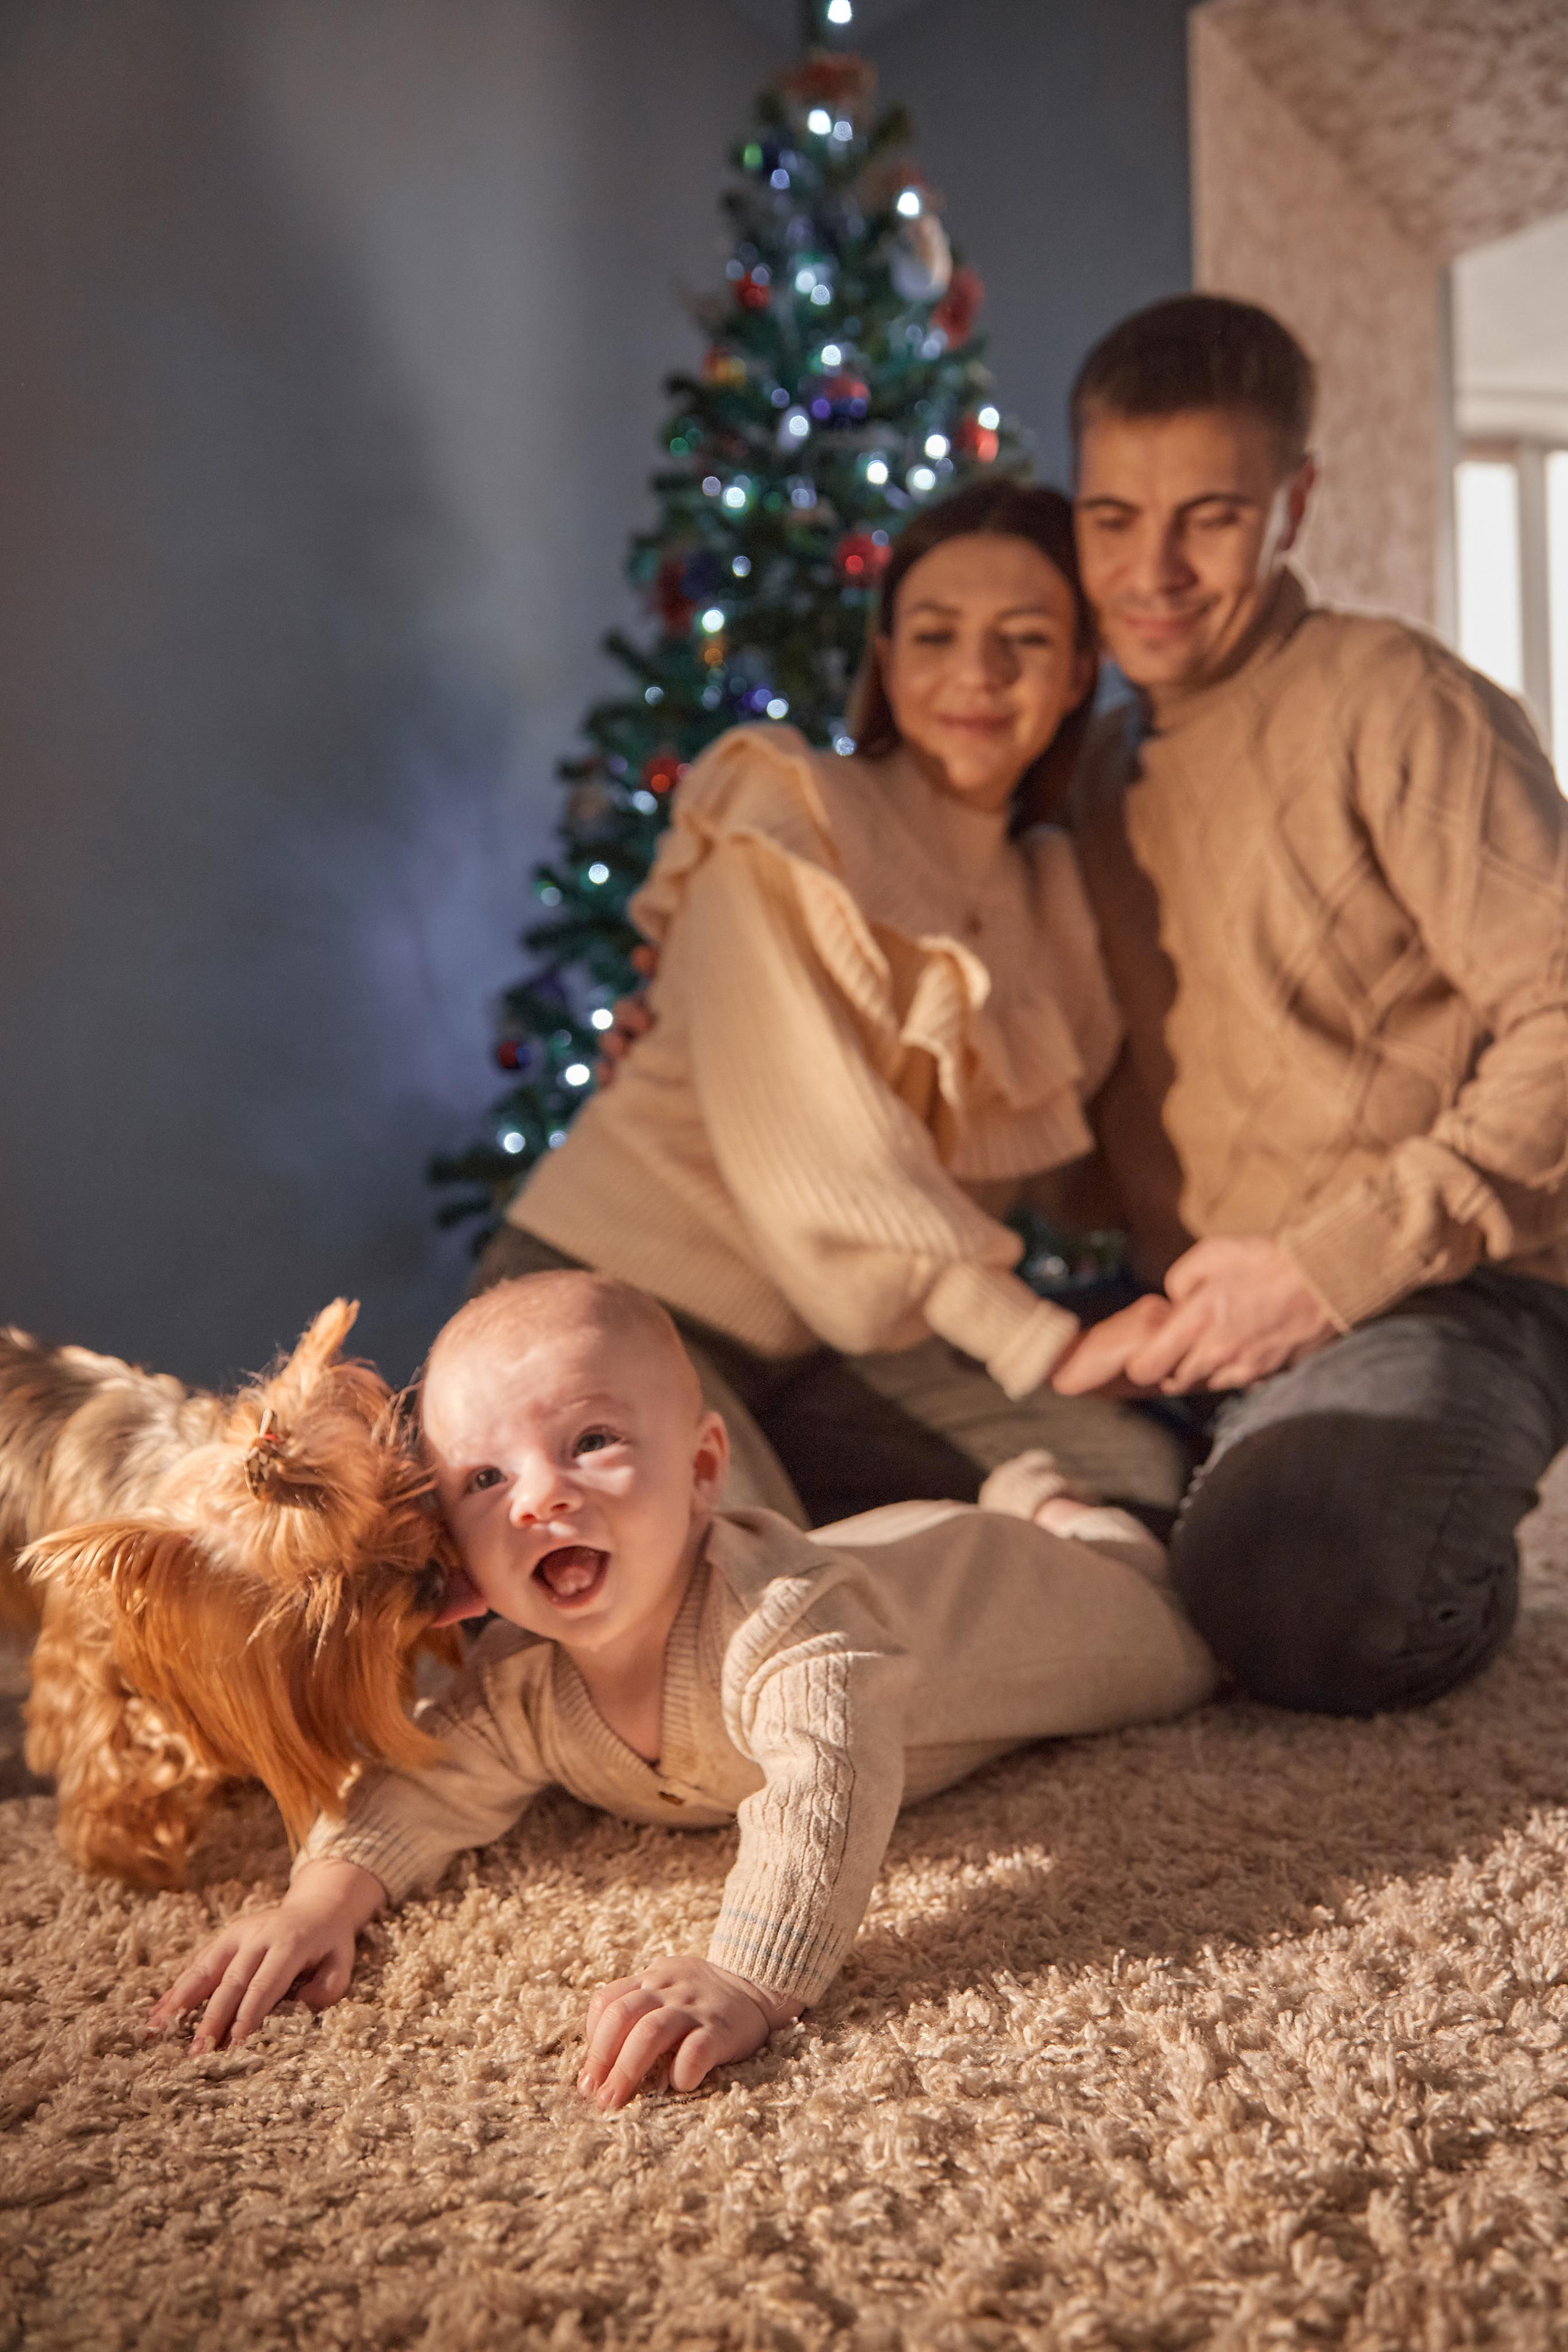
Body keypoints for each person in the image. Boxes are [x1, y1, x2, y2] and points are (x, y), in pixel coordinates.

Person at [148, 1271, 1216, 2103]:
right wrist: (317, 1902)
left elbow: (823, 1788)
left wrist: (754, 1975)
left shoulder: (789, 1629)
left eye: (592, 1442)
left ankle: (1057, 1509)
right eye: (486, 1479)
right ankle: (1023, 1499)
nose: (540, 1498)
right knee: (877, 1544)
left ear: (706, 1469)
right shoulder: (522, 1680)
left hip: (1004, 1598)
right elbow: (426, 1778)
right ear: (456, 1550)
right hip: (871, 1553)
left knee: (1169, 1634)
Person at [1041, 293, 1568, 1716]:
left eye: (1207, 515)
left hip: (1435, 1289)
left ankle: (1384, 1505)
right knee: (813, 1423)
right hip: (1182, 1310)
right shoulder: (1086, 771)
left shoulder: (1394, 702)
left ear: (1293, 503)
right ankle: (1193, 1484)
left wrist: (1323, 1266)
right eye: (1110, 518)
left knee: (1306, 1596)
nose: (1149, 570)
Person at [473, 480, 1185, 1531]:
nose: (977, 676)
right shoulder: (786, 816)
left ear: (1081, 670)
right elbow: (826, 1164)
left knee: (1134, 1486)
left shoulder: (1061, 904)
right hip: (612, 1297)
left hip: (826, 1345)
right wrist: (1046, 1344)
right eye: (936, 636)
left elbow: (1056, 1168)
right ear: (888, 663)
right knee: (719, 1596)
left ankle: (860, 1564)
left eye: (1025, 641)